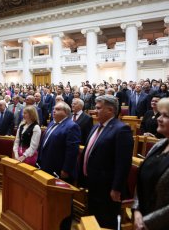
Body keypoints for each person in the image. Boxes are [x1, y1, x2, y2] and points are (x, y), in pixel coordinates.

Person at [79, 95, 133, 229]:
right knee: (94, 219)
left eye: (98, 108)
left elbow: (123, 163)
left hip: (107, 187)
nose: (94, 111)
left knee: (107, 222)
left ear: (110, 110)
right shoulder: (96, 127)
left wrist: (116, 188)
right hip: (93, 183)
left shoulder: (121, 129)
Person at [37, 101, 81, 230]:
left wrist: (66, 170)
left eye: (58, 109)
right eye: (53, 108)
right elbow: (44, 144)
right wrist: (39, 161)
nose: (54, 111)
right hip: (47, 168)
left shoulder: (71, 126)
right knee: (51, 200)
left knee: (64, 203)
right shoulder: (52, 123)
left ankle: (64, 227)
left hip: (60, 171)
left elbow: (72, 150)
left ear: (66, 112)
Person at [132, 97, 169, 230]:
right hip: (141, 217)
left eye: (165, 116)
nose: (159, 118)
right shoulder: (158, 145)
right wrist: (136, 210)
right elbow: (141, 180)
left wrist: (147, 222)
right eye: (160, 114)